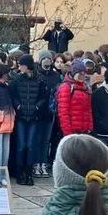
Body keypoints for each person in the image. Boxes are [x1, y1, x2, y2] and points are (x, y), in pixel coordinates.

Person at [11, 54, 46, 186]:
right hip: (21, 116)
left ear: (27, 65)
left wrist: (37, 107)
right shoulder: (17, 80)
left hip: (33, 116)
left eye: (21, 65)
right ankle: (20, 173)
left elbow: (44, 97)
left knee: (30, 146)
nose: (19, 67)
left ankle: (29, 173)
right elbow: (13, 96)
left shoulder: (40, 80)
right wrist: (18, 105)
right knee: (21, 146)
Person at [35, 50, 62, 178]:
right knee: (37, 139)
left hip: (50, 113)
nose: (47, 61)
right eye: (44, 58)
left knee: (46, 140)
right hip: (38, 112)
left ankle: (43, 163)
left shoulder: (56, 76)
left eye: (49, 58)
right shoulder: (36, 74)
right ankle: (36, 163)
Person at [57, 58, 93, 137]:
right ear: (74, 73)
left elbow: (88, 109)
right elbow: (63, 112)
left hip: (84, 130)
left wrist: (90, 126)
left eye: (84, 73)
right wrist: (67, 132)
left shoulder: (85, 87)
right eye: (80, 73)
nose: (82, 76)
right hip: (72, 131)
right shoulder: (66, 87)